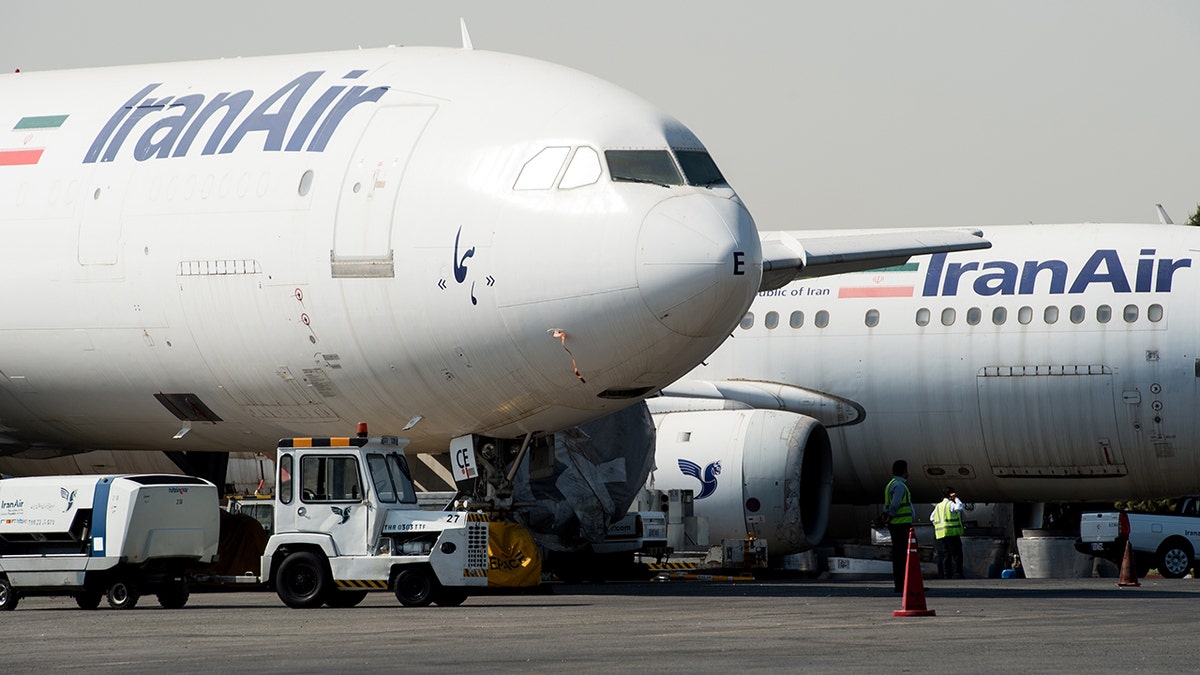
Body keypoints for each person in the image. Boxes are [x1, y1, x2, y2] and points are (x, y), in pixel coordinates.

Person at [883, 459, 913, 593]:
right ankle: (902, 585)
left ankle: (901, 584)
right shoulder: (900, 486)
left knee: (899, 556)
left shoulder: (891, 484)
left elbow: (887, 504)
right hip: (901, 525)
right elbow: (894, 504)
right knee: (902, 556)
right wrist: (891, 515)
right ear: (904, 472)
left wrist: (886, 514)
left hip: (897, 525)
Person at [932, 486, 966, 579]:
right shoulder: (950, 504)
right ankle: (958, 573)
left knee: (946, 554)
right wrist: (956, 498)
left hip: (942, 534)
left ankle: (947, 575)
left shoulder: (938, 506)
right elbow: (959, 507)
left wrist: (939, 525)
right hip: (952, 532)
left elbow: (932, 518)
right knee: (957, 554)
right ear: (951, 494)